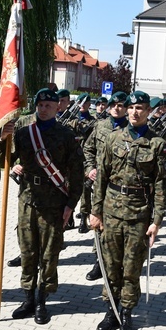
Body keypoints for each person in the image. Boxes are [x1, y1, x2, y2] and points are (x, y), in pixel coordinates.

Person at [0, 88, 83, 324]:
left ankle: (43, 300)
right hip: (27, 200)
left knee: (49, 253)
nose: (43, 109)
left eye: (48, 106)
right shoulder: (24, 133)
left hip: (54, 203)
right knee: (27, 252)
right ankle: (28, 298)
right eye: (40, 105)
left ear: (57, 108)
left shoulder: (66, 135)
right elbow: (2, 161)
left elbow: (77, 174)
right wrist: (2, 139)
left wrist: (71, 205)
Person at [89, 91, 166, 330]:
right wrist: (95, 212)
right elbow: (101, 177)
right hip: (111, 212)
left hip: (139, 214)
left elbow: (161, 186)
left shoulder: (158, 144)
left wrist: (157, 221)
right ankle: (111, 311)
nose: (135, 112)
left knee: (131, 267)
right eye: (131, 107)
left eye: (140, 108)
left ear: (149, 112)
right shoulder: (113, 138)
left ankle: (126, 313)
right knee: (111, 265)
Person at [82, 91, 129, 281]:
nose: (117, 108)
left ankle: (117, 263)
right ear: (109, 107)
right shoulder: (100, 126)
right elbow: (88, 148)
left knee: (117, 227)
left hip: (120, 187)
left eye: (121, 105)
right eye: (114, 105)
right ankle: (99, 262)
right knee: (97, 220)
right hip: (100, 184)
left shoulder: (131, 129)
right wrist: (90, 167)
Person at [67, 92, 96, 233]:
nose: (82, 105)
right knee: (67, 188)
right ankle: (69, 217)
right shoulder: (70, 120)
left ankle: (84, 219)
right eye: (80, 102)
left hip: (85, 161)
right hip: (71, 160)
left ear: (90, 105)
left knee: (85, 190)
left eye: (85, 103)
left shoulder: (94, 122)